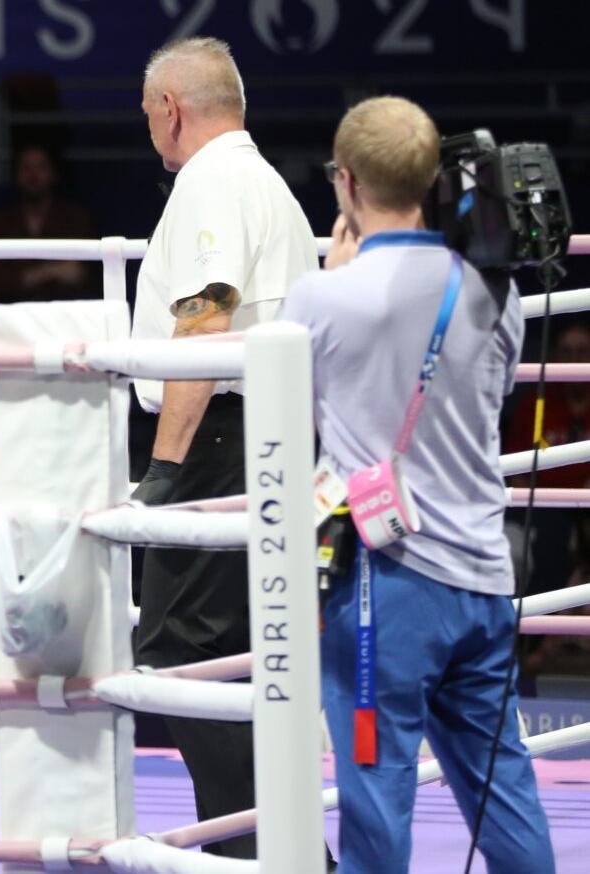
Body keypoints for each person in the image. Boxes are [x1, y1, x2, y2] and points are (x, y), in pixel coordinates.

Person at [283, 95, 553, 874]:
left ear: (346, 183)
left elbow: (288, 423)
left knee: (375, 800)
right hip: (483, 573)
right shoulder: (495, 290)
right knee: (504, 793)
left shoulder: (322, 297)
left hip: (384, 589)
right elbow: (488, 405)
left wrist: (334, 280)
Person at [125, 38, 319, 860]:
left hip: (217, 435)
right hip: (262, 433)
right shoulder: (262, 180)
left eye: (147, 116)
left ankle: (253, 850)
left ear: (171, 108)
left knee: (173, 649)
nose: (148, 132)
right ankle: (276, 846)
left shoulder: (211, 181)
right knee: (238, 655)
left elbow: (207, 315)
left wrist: (163, 473)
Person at [0, 145, 98, 303]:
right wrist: (51, 271)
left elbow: (79, 274)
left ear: (54, 173)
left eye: (41, 167)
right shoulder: (1, 223)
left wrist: (26, 276)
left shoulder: (75, 218)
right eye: (26, 168)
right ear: (16, 175)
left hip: (63, 314)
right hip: (14, 314)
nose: (33, 175)